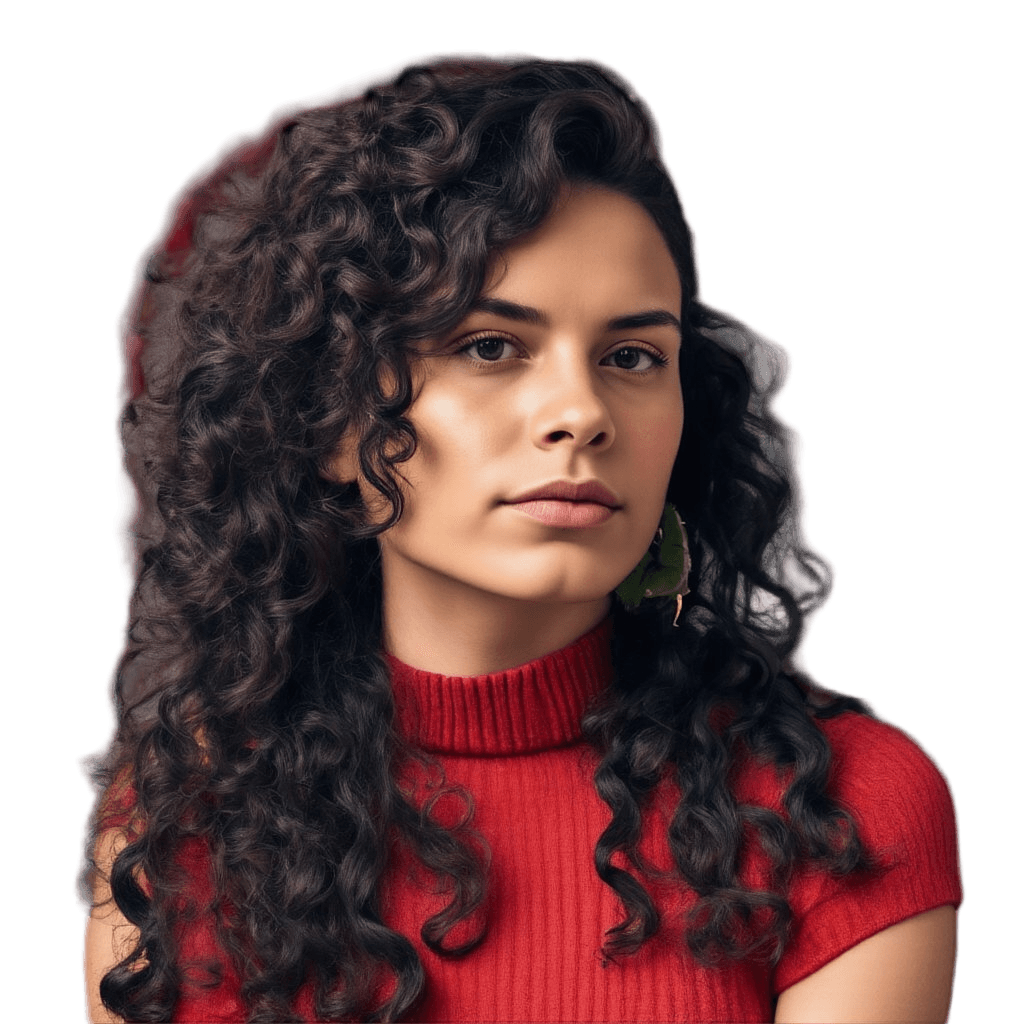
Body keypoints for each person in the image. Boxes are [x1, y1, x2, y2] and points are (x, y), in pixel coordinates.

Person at [79, 51, 965, 1023]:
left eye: (632, 356)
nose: (582, 412)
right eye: (489, 345)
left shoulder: (842, 809)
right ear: (328, 416)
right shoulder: (187, 821)